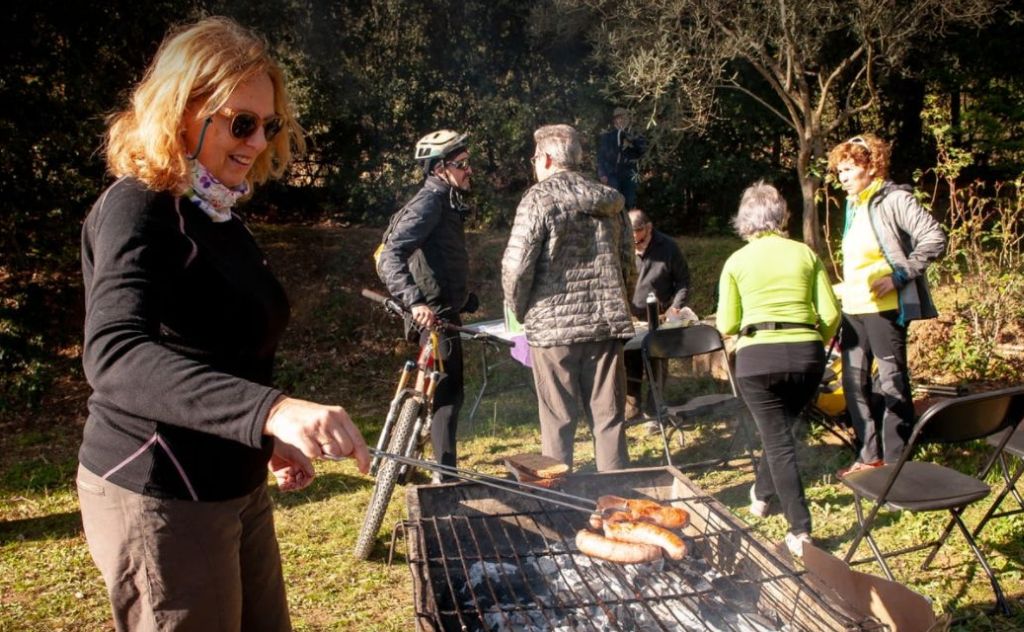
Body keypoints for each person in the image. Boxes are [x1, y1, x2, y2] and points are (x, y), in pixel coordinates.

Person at [77, 16, 370, 632]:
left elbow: (217, 347)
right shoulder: (140, 206)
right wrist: (271, 410)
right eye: (242, 122)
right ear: (181, 110)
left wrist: (265, 437)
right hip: (161, 493)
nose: (258, 141)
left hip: (232, 484)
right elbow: (116, 354)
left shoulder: (214, 211)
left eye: (270, 125)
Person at [716, 182, 841, 557]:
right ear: (781, 215)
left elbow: (726, 324)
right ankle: (760, 495)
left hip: (757, 360)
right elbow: (832, 314)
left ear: (744, 220)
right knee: (782, 434)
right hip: (806, 355)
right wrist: (813, 338)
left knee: (779, 441)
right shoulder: (804, 253)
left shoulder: (736, 262)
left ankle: (800, 530)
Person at [502, 124, 637, 472]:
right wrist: (623, 301)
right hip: (606, 325)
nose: (533, 164)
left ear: (546, 158)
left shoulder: (537, 199)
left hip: (553, 330)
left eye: (534, 158)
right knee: (609, 421)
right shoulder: (610, 200)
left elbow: (516, 268)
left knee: (558, 422)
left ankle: (559, 506)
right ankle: (618, 502)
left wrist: (521, 311)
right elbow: (628, 263)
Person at [827, 134, 946, 477]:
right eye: (839, 172)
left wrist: (899, 276)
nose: (842, 178)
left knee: (891, 383)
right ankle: (868, 455)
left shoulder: (893, 199)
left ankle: (896, 461)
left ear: (870, 165)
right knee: (854, 382)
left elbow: (934, 238)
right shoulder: (855, 204)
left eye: (848, 169)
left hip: (884, 308)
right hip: (853, 308)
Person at [376, 129, 476, 480]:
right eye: (461, 164)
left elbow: (437, 259)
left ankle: (406, 460)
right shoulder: (430, 201)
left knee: (434, 390)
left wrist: (464, 297)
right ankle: (445, 476)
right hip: (434, 317)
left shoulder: (444, 200)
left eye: (468, 162)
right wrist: (414, 300)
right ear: (439, 168)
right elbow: (390, 256)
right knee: (449, 395)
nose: (468, 170)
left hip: (446, 309)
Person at [623, 208, 691, 429]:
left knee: (657, 362)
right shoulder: (622, 245)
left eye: (637, 234)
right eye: (630, 234)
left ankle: (655, 412)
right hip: (631, 316)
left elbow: (683, 281)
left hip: (659, 316)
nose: (634, 240)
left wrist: (675, 307)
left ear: (649, 228)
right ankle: (631, 410)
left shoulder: (668, 247)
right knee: (630, 361)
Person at [597, 106, 647, 208]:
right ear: (614, 120)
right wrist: (602, 173)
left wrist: (632, 139)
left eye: (624, 117)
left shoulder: (635, 135)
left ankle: (629, 222)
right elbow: (601, 157)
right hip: (612, 174)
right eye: (618, 118)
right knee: (613, 202)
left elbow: (642, 151)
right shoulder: (608, 137)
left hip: (629, 174)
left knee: (629, 201)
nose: (621, 120)